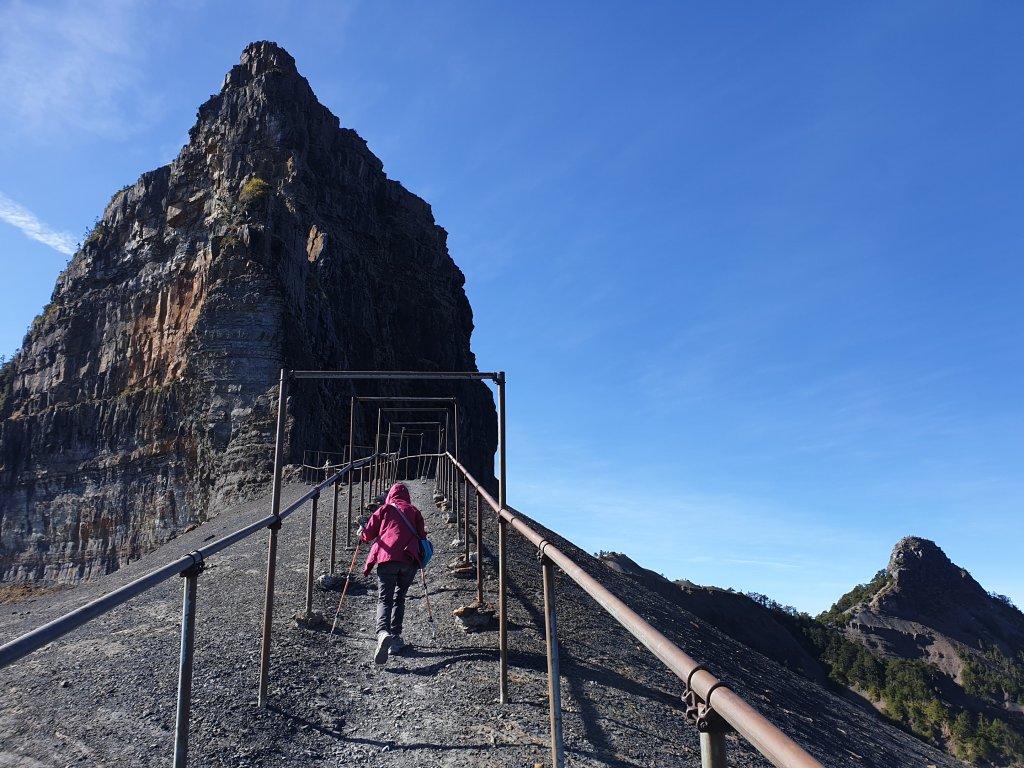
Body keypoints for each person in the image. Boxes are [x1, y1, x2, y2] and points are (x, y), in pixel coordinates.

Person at [358, 482, 427, 665]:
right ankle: (395, 638)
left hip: (386, 559)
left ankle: (382, 633)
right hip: (409, 559)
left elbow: (367, 535)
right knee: (399, 598)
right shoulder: (414, 511)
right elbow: (422, 536)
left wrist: (362, 531)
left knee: (384, 599)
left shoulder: (385, 509)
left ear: (391, 495)